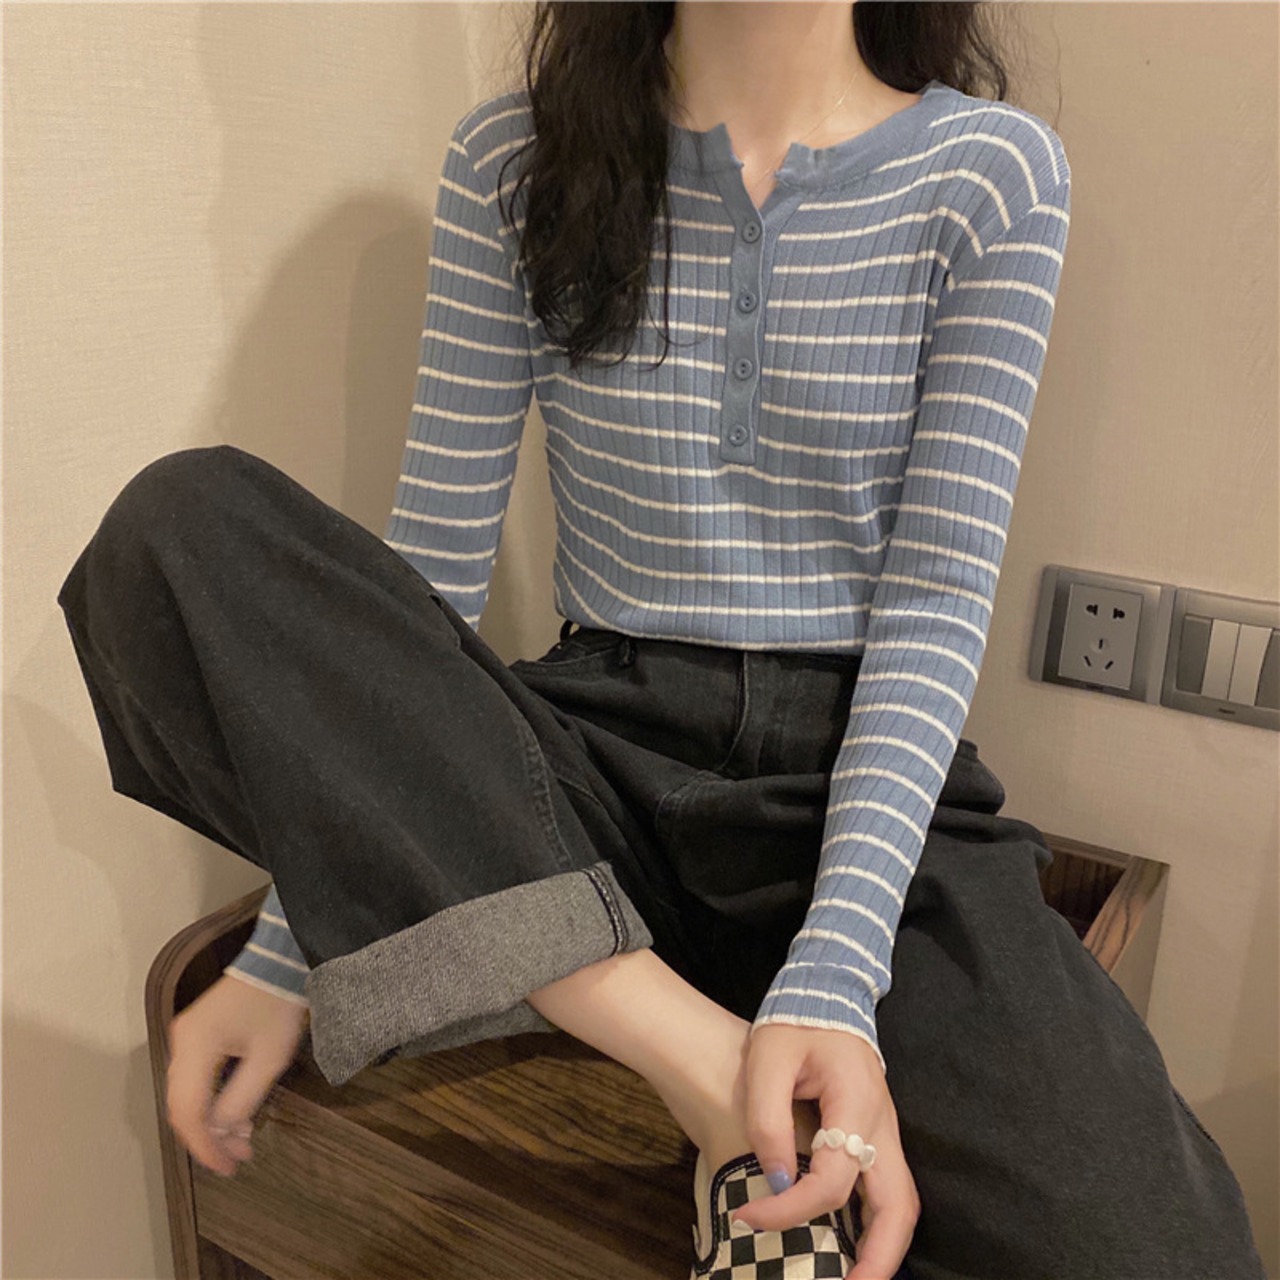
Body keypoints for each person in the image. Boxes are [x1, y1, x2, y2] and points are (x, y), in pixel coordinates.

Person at [57, 3, 1266, 1278]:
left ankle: (702, 1033)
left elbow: (931, 605)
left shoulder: (988, 173)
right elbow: (428, 583)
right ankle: (705, 1068)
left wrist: (832, 977)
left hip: (853, 786)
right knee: (177, 527)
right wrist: (283, 945)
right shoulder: (510, 160)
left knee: (1161, 1247)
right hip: (590, 759)